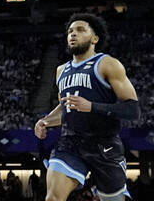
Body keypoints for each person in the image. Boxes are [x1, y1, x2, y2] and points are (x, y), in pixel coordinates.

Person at [35, 13, 140, 201]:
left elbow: (133, 110)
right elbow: (65, 107)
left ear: (94, 38)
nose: (73, 34)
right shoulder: (61, 70)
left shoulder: (107, 64)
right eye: (70, 31)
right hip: (70, 143)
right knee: (52, 198)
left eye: (80, 30)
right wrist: (45, 121)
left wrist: (92, 106)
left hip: (105, 146)